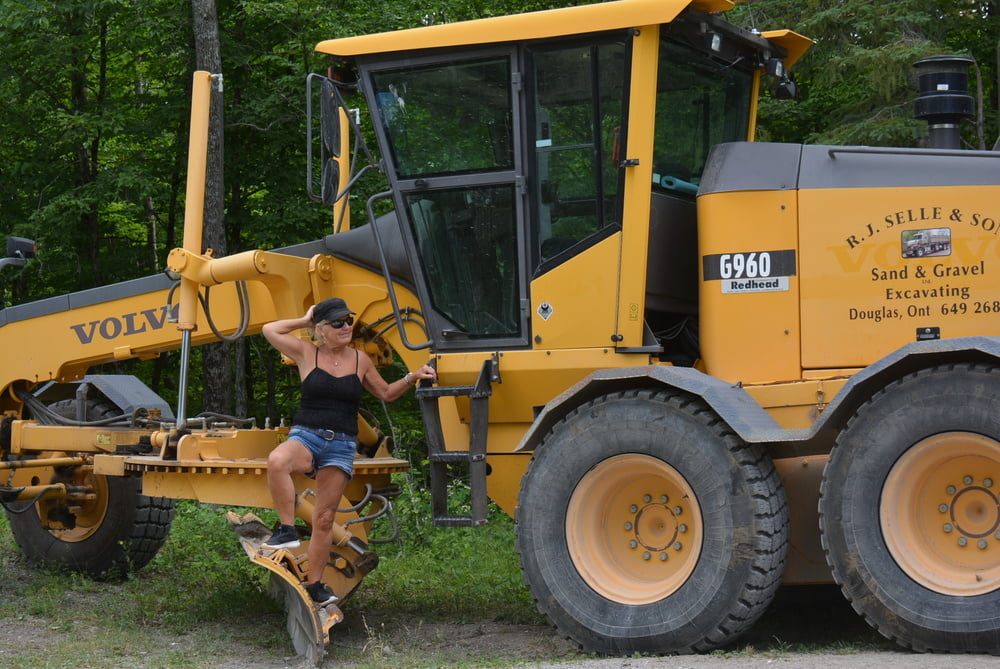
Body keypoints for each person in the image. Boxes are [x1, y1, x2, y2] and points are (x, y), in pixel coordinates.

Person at [261, 297, 436, 606]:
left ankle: (315, 585)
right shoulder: (306, 352)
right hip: (307, 437)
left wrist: (411, 378)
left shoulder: (360, 360)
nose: (346, 327)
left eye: (349, 320)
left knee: (325, 519)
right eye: (338, 323)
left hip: (341, 445)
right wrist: (305, 320)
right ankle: (287, 529)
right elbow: (269, 329)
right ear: (322, 329)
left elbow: (385, 393)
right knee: (277, 460)